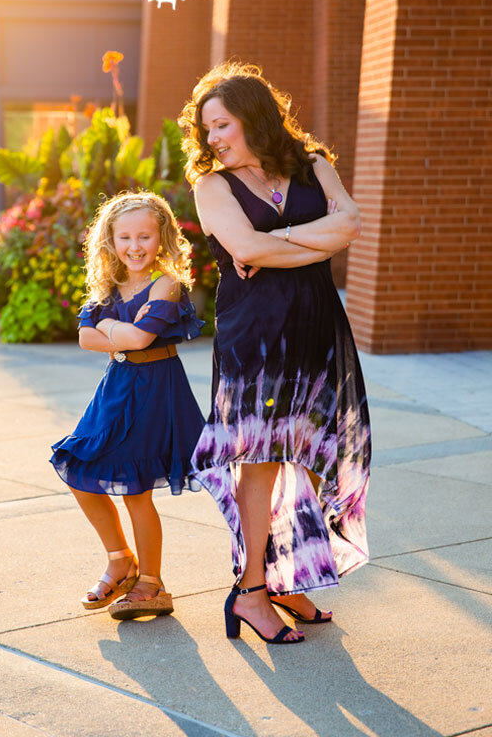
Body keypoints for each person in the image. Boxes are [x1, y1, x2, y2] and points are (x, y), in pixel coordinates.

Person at [180, 61, 370, 645]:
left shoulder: (314, 164)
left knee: (309, 452)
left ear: (254, 117)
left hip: (314, 322)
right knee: (260, 458)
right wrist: (311, 237)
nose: (213, 140)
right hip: (255, 334)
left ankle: (290, 579)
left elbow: (351, 224)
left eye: (222, 125)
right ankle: (253, 591)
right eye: (207, 130)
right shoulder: (212, 186)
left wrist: (277, 242)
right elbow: (241, 245)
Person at [51, 191, 205, 620]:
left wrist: (107, 325)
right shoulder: (107, 284)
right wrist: (116, 332)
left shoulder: (167, 284)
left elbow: (139, 340)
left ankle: (152, 583)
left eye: (144, 236)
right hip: (117, 386)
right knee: (76, 467)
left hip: (157, 389)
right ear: (111, 241)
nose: (134, 246)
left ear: (162, 239)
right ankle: (120, 559)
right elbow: (85, 339)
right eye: (125, 237)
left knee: (135, 490)